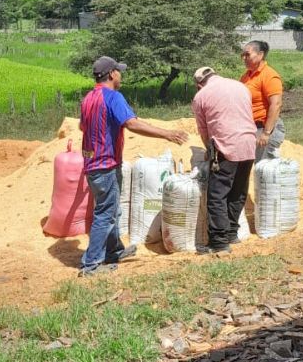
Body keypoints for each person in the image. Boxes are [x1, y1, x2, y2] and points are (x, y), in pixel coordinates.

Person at [78, 56, 189, 276]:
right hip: (105, 164)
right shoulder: (113, 97)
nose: (121, 75)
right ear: (111, 74)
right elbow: (131, 123)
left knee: (112, 210)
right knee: (105, 213)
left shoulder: (88, 98)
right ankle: (91, 265)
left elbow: (83, 127)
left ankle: (113, 251)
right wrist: (167, 134)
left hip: (92, 163)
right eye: (119, 71)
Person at [190, 67, 257, 255]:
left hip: (226, 147)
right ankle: (231, 234)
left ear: (199, 85)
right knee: (238, 191)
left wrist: (209, 150)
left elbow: (204, 130)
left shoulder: (201, 96)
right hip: (249, 145)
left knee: (217, 195)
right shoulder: (240, 86)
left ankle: (219, 243)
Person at [239, 40, 285, 160]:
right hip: (250, 128)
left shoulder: (269, 76)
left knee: (263, 168)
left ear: (260, 55)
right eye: (242, 55)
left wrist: (266, 133)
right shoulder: (245, 77)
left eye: (247, 55)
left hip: (264, 129)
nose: (244, 58)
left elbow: (276, 104)